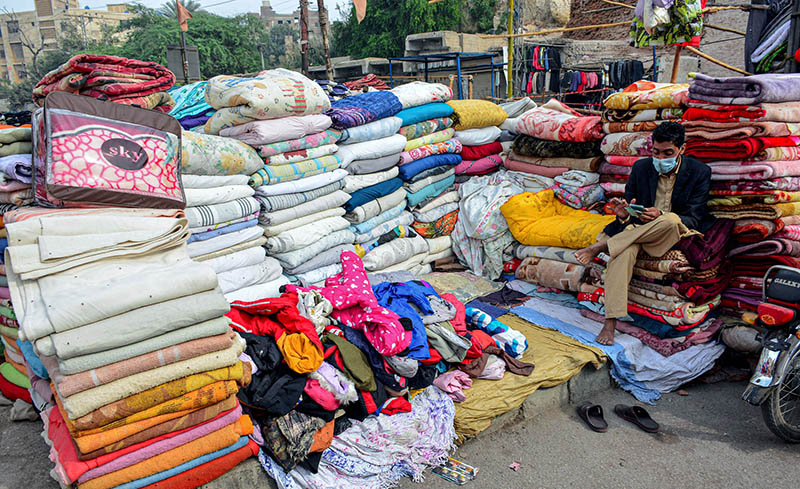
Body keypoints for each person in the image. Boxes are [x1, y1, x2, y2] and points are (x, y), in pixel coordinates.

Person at [575, 121, 714, 345]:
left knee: (670, 219)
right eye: (656, 153)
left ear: (682, 150)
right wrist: (623, 215)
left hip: (672, 232)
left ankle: (602, 246)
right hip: (639, 231)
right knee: (624, 253)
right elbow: (631, 207)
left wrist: (659, 215)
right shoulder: (642, 168)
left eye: (668, 153)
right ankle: (609, 322)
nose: (660, 159)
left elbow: (694, 217)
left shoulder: (699, 172)